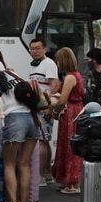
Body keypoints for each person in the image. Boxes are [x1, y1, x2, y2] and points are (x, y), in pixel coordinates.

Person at [0, 67, 41, 202]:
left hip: (14, 119)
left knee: (9, 164)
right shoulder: (14, 74)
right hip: (32, 119)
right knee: (24, 164)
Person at [52, 47, 85, 194]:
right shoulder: (76, 75)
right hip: (77, 110)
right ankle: (69, 180)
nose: (57, 63)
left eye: (58, 60)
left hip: (71, 113)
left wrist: (54, 111)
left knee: (69, 146)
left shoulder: (70, 77)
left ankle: (71, 182)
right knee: (71, 145)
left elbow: (62, 100)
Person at [28, 38, 59, 186]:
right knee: (45, 140)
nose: (34, 51)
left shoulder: (49, 63)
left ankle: (40, 175)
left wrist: (47, 106)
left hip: (44, 107)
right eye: (32, 48)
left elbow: (54, 85)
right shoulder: (35, 66)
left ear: (44, 49)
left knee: (42, 141)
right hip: (38, 106)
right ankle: (47, 174)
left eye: (38, 48)